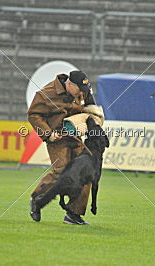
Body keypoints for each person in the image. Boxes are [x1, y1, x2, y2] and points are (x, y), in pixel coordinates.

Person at [27, 70, 96, 225]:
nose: (81, 93)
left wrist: (94, 114)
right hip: (57, 138)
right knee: (61, 172)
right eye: (79, 89)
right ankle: (37, 197)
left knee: (86, 170)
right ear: (69, 84)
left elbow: (90, 106)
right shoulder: (46, 94)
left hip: (75, 137)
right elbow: (33, 115)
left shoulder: (81, 91)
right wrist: (48, 134)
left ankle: (74, 214)